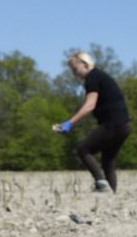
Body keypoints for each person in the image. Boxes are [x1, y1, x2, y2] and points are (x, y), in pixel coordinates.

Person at [55, 51, 131, 193]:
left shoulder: (92, 77)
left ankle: (101, 183)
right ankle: (111, 194)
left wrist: (70, 122)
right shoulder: (100, 76)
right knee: (108, 161)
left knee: (83, 149)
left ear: (84, 64)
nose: (74, 73)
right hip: (125, 125)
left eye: (75, 69)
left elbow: (90, 105)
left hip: (113, 124)